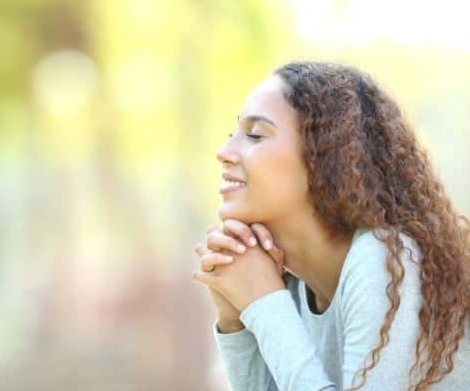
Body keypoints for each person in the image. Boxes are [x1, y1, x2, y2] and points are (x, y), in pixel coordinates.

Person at [190, 61, 470, 390]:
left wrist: (264, 303)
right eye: (232, 134)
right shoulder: (289, 279)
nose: (224, 152)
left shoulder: (385, 260)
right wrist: (237, 320)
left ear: (323, 159)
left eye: (254, 135)